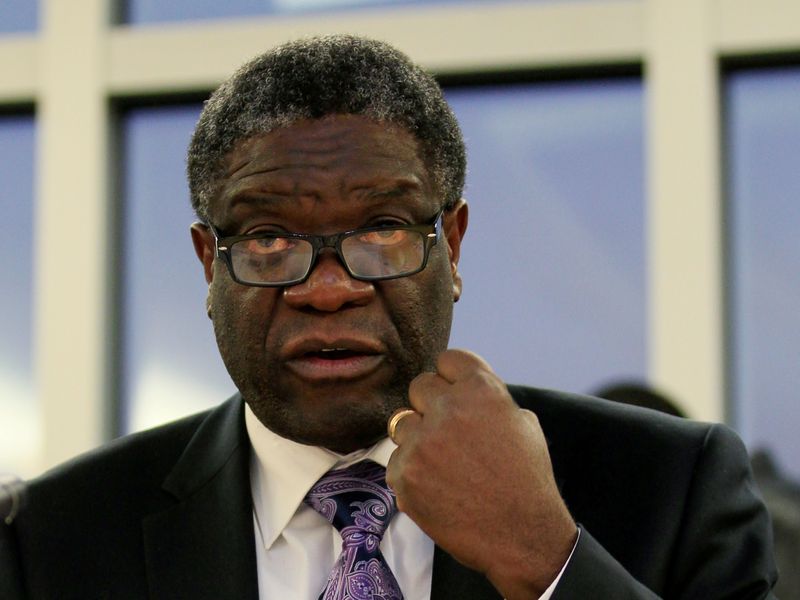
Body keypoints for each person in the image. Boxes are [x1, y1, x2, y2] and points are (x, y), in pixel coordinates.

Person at [5, 34, 777, 599]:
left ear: (455, 244)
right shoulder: (55, 541)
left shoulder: (669, 490)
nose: (329, 289)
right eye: (269, 238)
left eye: (382, 230)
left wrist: (550, 562)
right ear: (211, 263)